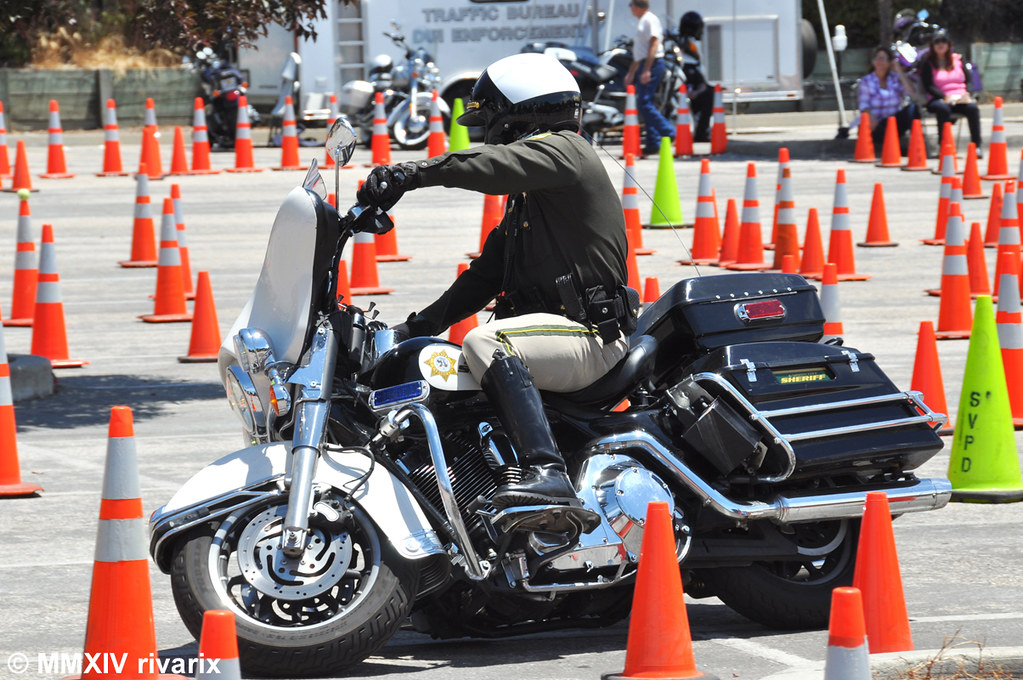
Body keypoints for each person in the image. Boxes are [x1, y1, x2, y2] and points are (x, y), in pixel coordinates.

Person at [356, 52, 635, 520]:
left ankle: (547, 475)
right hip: (555, 338)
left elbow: (495, 163)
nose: (484, 131)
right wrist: (413, 329)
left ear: (521, 114)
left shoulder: (567, 151)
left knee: (487, 340)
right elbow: (485, 275)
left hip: (589, 338)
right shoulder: (534, 202)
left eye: (490, 120)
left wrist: (412, 173)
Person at [919, 29, 982, 156]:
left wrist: (967, 94)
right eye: (937, 42)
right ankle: (943, 145)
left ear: (949, 44)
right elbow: (928, 86)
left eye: (944, 41)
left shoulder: (958, 59)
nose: (940, 44)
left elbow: (969, 80)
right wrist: (944, 97)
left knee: (972, 108)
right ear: (932, 45)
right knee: (943, 109)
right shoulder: (927, 62)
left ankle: (977, 146)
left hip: (960, 98)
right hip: (938, 99)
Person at [625, 0, 675, 156]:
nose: (630, 9)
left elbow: (654, 43)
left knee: (644, 103)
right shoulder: (643, 20)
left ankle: (668, 132)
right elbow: (640, 51)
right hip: (645, 64)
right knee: (646, 104)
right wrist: (632, 72)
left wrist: (647, 69)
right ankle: (653, 143)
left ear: (637, 6)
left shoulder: (649, 19)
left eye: (631, 5)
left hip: (652, 64)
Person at [857, 45, 920, 154]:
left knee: (913, 109)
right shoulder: (866, 81)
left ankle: (916, 142)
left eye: (882, 58)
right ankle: (897, 149)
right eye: (877, 58)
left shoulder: (895, 79)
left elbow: (911, 93)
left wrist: (899, 71)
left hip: (894, 121)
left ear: (890, 62)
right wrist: (871, 117)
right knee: (879, 130)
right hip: (877, 123)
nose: (879, 61)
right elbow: (864, 104)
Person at [677, 10, 714, 142]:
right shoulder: (675, 42)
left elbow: (701, 73)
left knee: (710, 92)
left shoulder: (696, 46)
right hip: (679, 84)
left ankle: (701, 132)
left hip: (693, 82)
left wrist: (698, 90)